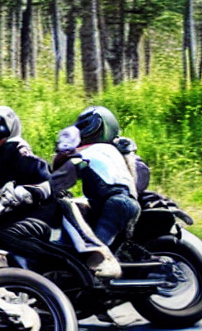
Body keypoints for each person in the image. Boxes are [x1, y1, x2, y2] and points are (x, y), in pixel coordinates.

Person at [0, 105, 121, 278]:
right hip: (24, 215)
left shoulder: (15, 151)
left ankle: (71, 266)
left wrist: (28, 193)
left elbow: (46, 179)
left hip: (42, 215)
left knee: (6, 236)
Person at [54, 106, 142, 249]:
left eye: (87, 126)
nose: (83, 132)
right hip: (119, 204)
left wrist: (41, 189)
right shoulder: (115, 151)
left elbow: (60, 179)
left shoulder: (85, 153)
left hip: (114, 205)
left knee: (95, 253)